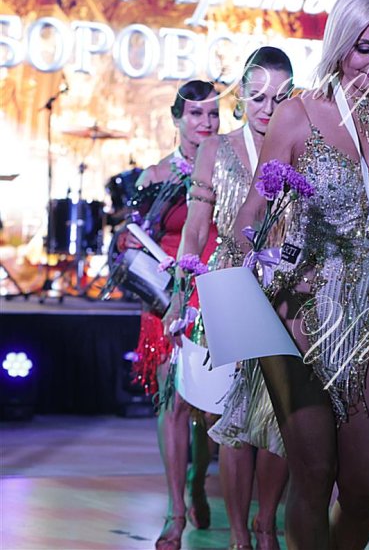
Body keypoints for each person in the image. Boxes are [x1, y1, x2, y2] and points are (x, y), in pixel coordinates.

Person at [233, 0, 369, 550]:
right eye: (364, 48)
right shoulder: (298, 114)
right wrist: (259, 259)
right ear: (339, 45)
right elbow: (250, 215)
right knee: (312, 477)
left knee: (362, 492)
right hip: (301, 312)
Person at [167, 48, 294, 550]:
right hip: (228, 285)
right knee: (232, 418)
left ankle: (267, 524)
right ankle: (241, 535)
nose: (267, 107)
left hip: (286, 288)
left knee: (280, 417)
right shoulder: (215, 149)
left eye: (280, 97)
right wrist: (183, 294)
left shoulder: (302, 146)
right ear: (240, 97)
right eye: (258, 97)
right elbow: (197, 229)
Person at [120, 80, 221, 550]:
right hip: (167, 299)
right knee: (173, 404)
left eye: (213, 114)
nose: (206, 122)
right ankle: (175, 511)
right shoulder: (156, 176)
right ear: (177, 118)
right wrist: (130, 242)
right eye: (196, 114)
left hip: (216, 294)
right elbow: (134, 239)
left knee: (211, 408)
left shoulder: (231, 168)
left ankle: (198, 480)